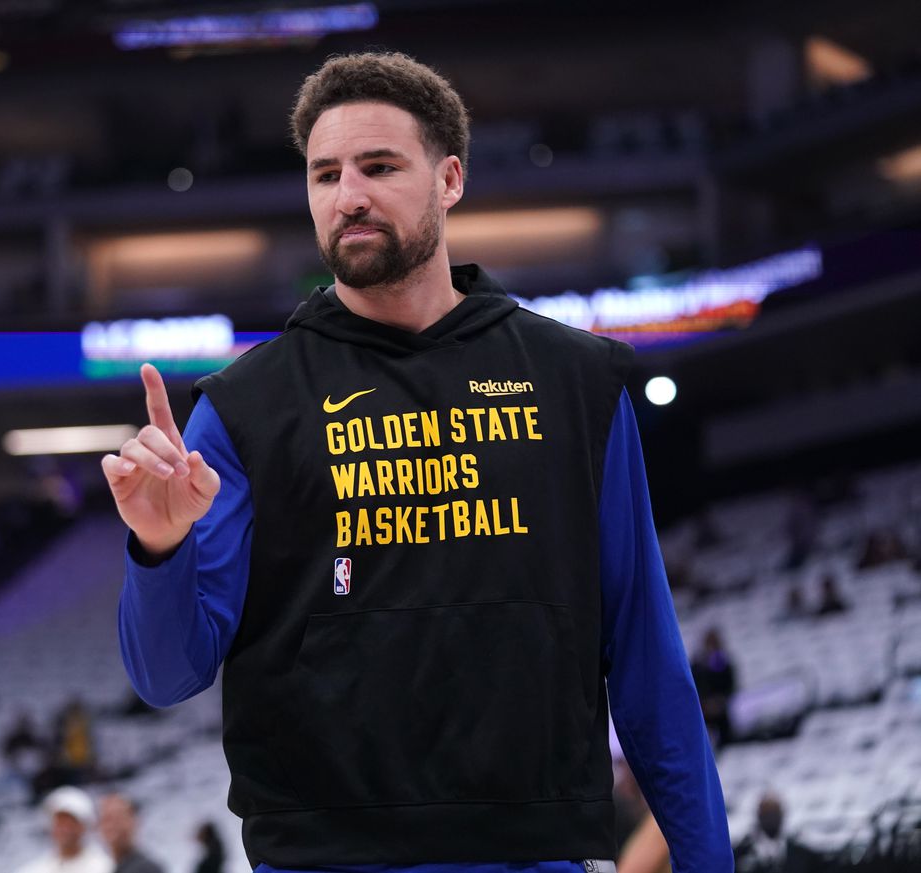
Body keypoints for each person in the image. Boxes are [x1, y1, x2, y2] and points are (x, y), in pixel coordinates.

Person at [104, 51, 731, 872]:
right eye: (324, 174)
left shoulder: (576, 381)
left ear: (450, 180)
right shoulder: (244, 407)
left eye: (379, 166)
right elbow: (165, 674)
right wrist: (159, 550)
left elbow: (648, 660)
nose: (348, 194)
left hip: (531, 854)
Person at [15, 786, 112, 873]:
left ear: (84, 826)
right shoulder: (34, 869)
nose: (64, 829)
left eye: (70, 822)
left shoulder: (105, 867)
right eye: (59, 822)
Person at [691, 627, 738, 748]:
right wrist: (704, 703)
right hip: (702, 710)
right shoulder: (697, 665)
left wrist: (720, 701)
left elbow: (731, 687)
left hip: (721, 710)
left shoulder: (725, 664)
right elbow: (692, 688)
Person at [98, 794, 163, 873]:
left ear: (135, 821)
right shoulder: (100, 865)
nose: (112, 825)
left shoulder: (147, 869)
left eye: (118, 818)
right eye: (107, 818)